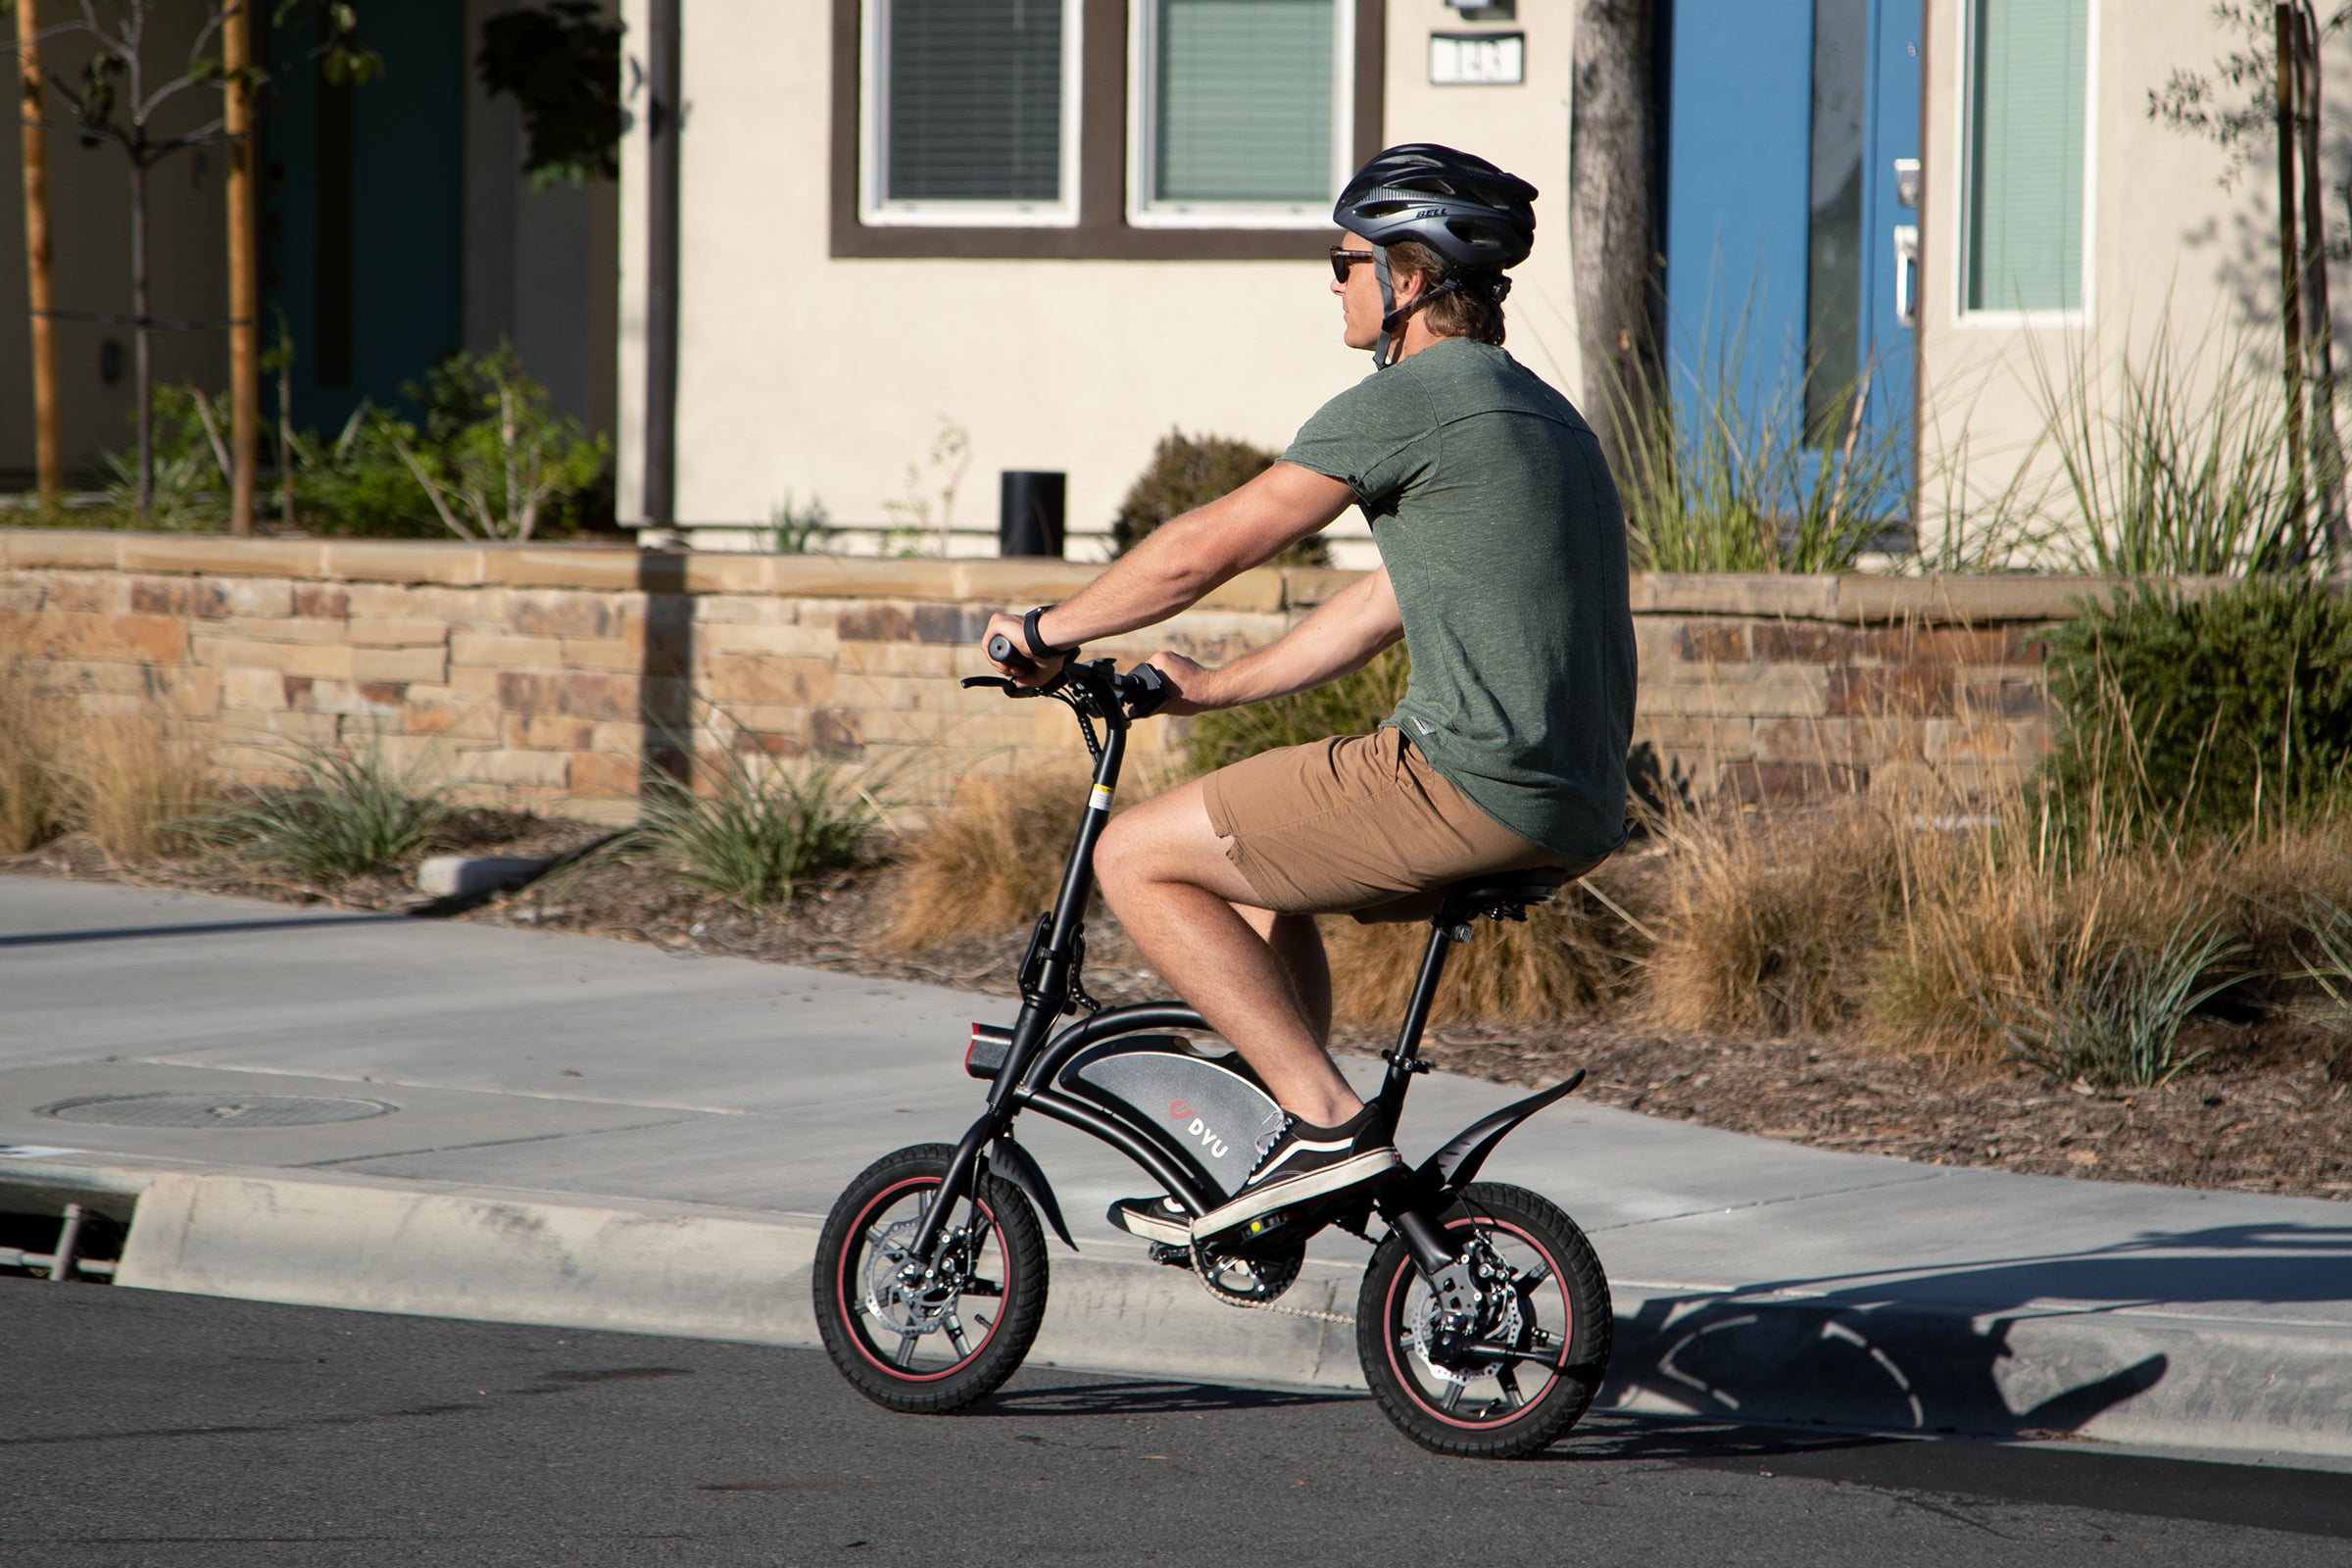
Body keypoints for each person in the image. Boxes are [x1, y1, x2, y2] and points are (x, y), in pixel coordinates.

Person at [980, 144, 1637, 1244]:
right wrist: (1215, 688)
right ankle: (1292, 1153)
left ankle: (1321, 1124)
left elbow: (1209, 547)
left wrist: (1050, 628)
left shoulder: (1418, 397)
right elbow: (1385, 598)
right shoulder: (1543, 417)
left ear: (1409, 278)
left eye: (1345, 261)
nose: (1332, 281)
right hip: (1572, 803)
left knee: (1134, 853)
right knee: (1255, 878)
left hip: (1464, 776)